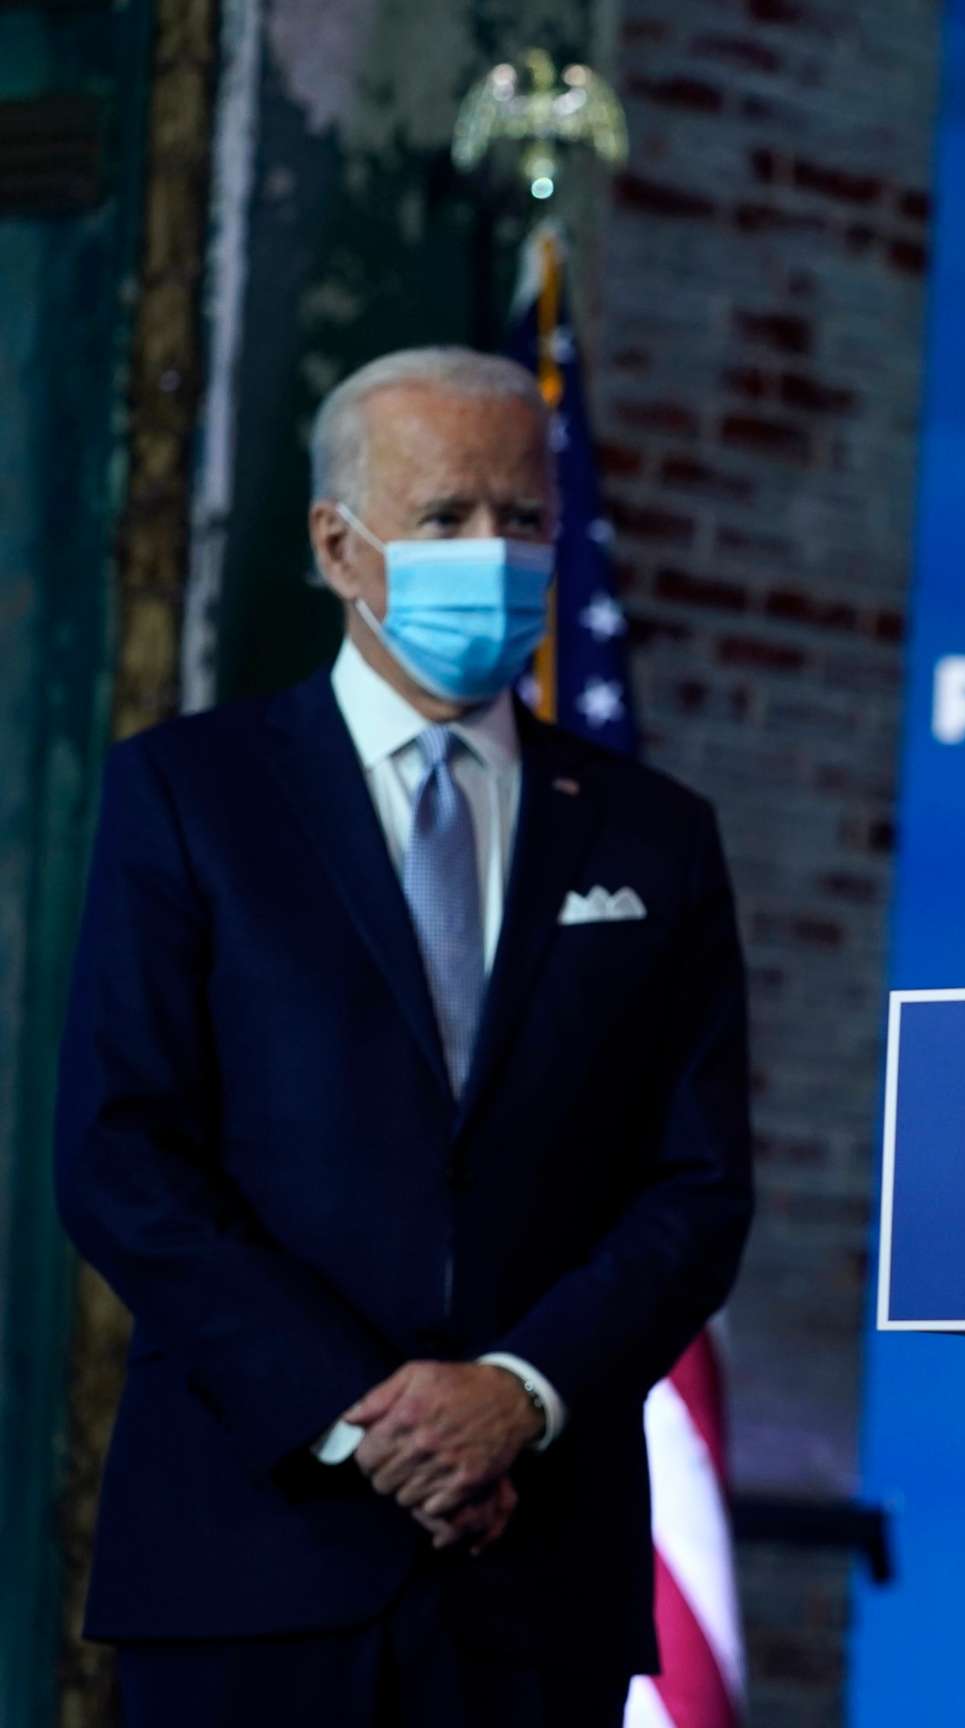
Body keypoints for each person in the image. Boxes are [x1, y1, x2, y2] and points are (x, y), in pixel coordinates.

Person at [55, 346, 754, 1726]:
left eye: (524, 520)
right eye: (446, 520)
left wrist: (519, 1392)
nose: (493, 556)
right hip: (249, 1557)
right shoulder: (189, 796)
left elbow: (698, 1186)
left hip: (534, 1573)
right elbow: (121, 1153)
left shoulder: (654, 837)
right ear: (339, 543)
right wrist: (370, 1418)